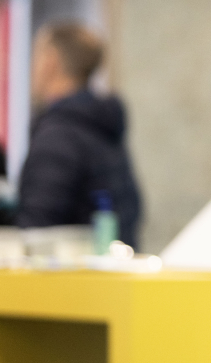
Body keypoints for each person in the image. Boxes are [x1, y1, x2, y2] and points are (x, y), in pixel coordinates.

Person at [17, 22, 142, 248]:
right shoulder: (102, 126)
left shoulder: (59, 136)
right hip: (110, 276)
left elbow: (35, 232)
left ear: (50, 62)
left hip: (72, 280)